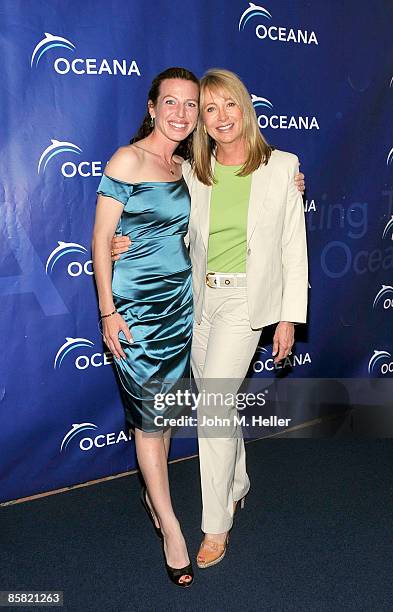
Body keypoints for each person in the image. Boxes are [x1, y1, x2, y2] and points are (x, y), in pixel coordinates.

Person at [110, 68, 308, 569]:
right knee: (216, 402)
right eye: (209, 108)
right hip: (198, 301)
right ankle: (237, 480)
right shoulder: (193, 169)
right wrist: (125, 242)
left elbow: (293, 248)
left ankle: (215, 525)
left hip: (246, 304)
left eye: (228, 106)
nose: (219, 118)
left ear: (245, 108)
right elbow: (162, 221)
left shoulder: (284, 167)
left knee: (214, 408)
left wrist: (288, 318)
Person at [92, 67, 200, 587]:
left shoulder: (186, 166)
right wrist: (108, 311)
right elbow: (100, 242)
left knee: (166, 414)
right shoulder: (126, 158)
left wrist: (289, 180)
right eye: (171, 103)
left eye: (191, 106)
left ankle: (153, 494)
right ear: (153, 107)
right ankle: (172, 527)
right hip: (134, 311)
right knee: (149, 420)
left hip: (180, 306)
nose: (181, 114)